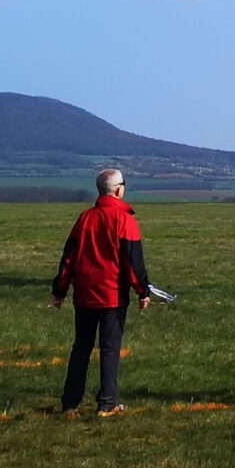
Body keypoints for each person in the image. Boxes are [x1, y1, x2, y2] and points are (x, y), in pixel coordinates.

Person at [52, 167, 154, 417]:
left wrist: (60, 290)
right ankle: (106, 403)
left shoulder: (84, 219)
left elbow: (68, 259)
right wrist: (143, 291)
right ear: (119, 190)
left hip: (84, 295)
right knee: (110, 348)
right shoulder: (125, 220)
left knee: (81, 347)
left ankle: (70, 403)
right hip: (112, 296)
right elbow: (132, 262)